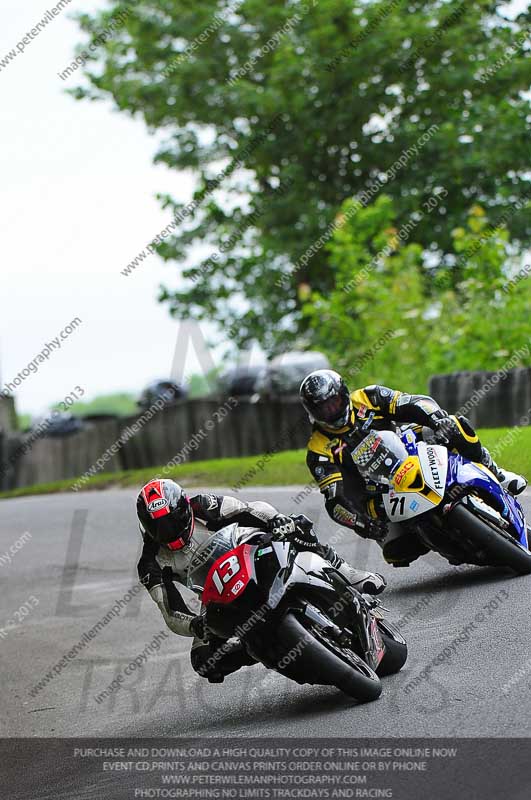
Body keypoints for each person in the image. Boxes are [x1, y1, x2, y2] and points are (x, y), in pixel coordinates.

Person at [136, 478, 386, 683]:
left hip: (251, 553)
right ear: (146, 526)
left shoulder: (204, 506)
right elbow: (169, 610)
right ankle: (264, 647)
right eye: (158, 527)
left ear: (184, 508)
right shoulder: (151, 562)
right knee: (205, 661)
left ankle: (346, 572)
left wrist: (277, 521)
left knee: (299, 528)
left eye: (171, 521)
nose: (167, 531)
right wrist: (195, 625)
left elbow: (250, 509)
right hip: (216, 593)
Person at [300, 369, 527, 567]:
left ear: (343, 394)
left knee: (456, 425)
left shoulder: (368, 397)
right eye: (323, 409)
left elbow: (415, 403)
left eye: (334, 403)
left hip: (407, 449)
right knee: (398, 551)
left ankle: (496, 472)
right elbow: (334, 501)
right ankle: (433, 535)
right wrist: (360, 523)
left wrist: (437, 420)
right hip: (373, 492)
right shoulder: (318, 449)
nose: (331, 411)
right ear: (313, 413)